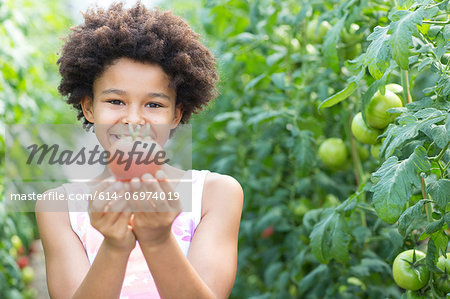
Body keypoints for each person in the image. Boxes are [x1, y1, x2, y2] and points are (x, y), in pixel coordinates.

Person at [35, 2, 243, 298]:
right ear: (89, 107)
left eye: (154, 105)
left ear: (176, 114)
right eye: (116, 101)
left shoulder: (214, 194)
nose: (133, 119)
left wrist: (158, 241)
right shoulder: (58, 208)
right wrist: (115, 246)